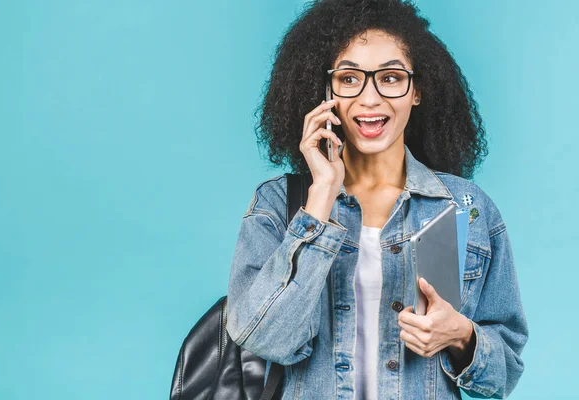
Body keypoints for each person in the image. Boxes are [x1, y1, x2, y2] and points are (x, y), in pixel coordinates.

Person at [226, 0, 528, 398]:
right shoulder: (278, 205)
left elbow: (504, 375)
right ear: (325, 91)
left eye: (389, 77)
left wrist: (462, 335)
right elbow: (264, 338)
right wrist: (321, 197)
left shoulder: (466, 209)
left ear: (417, 90)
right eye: (350, 78)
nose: (370, 99)